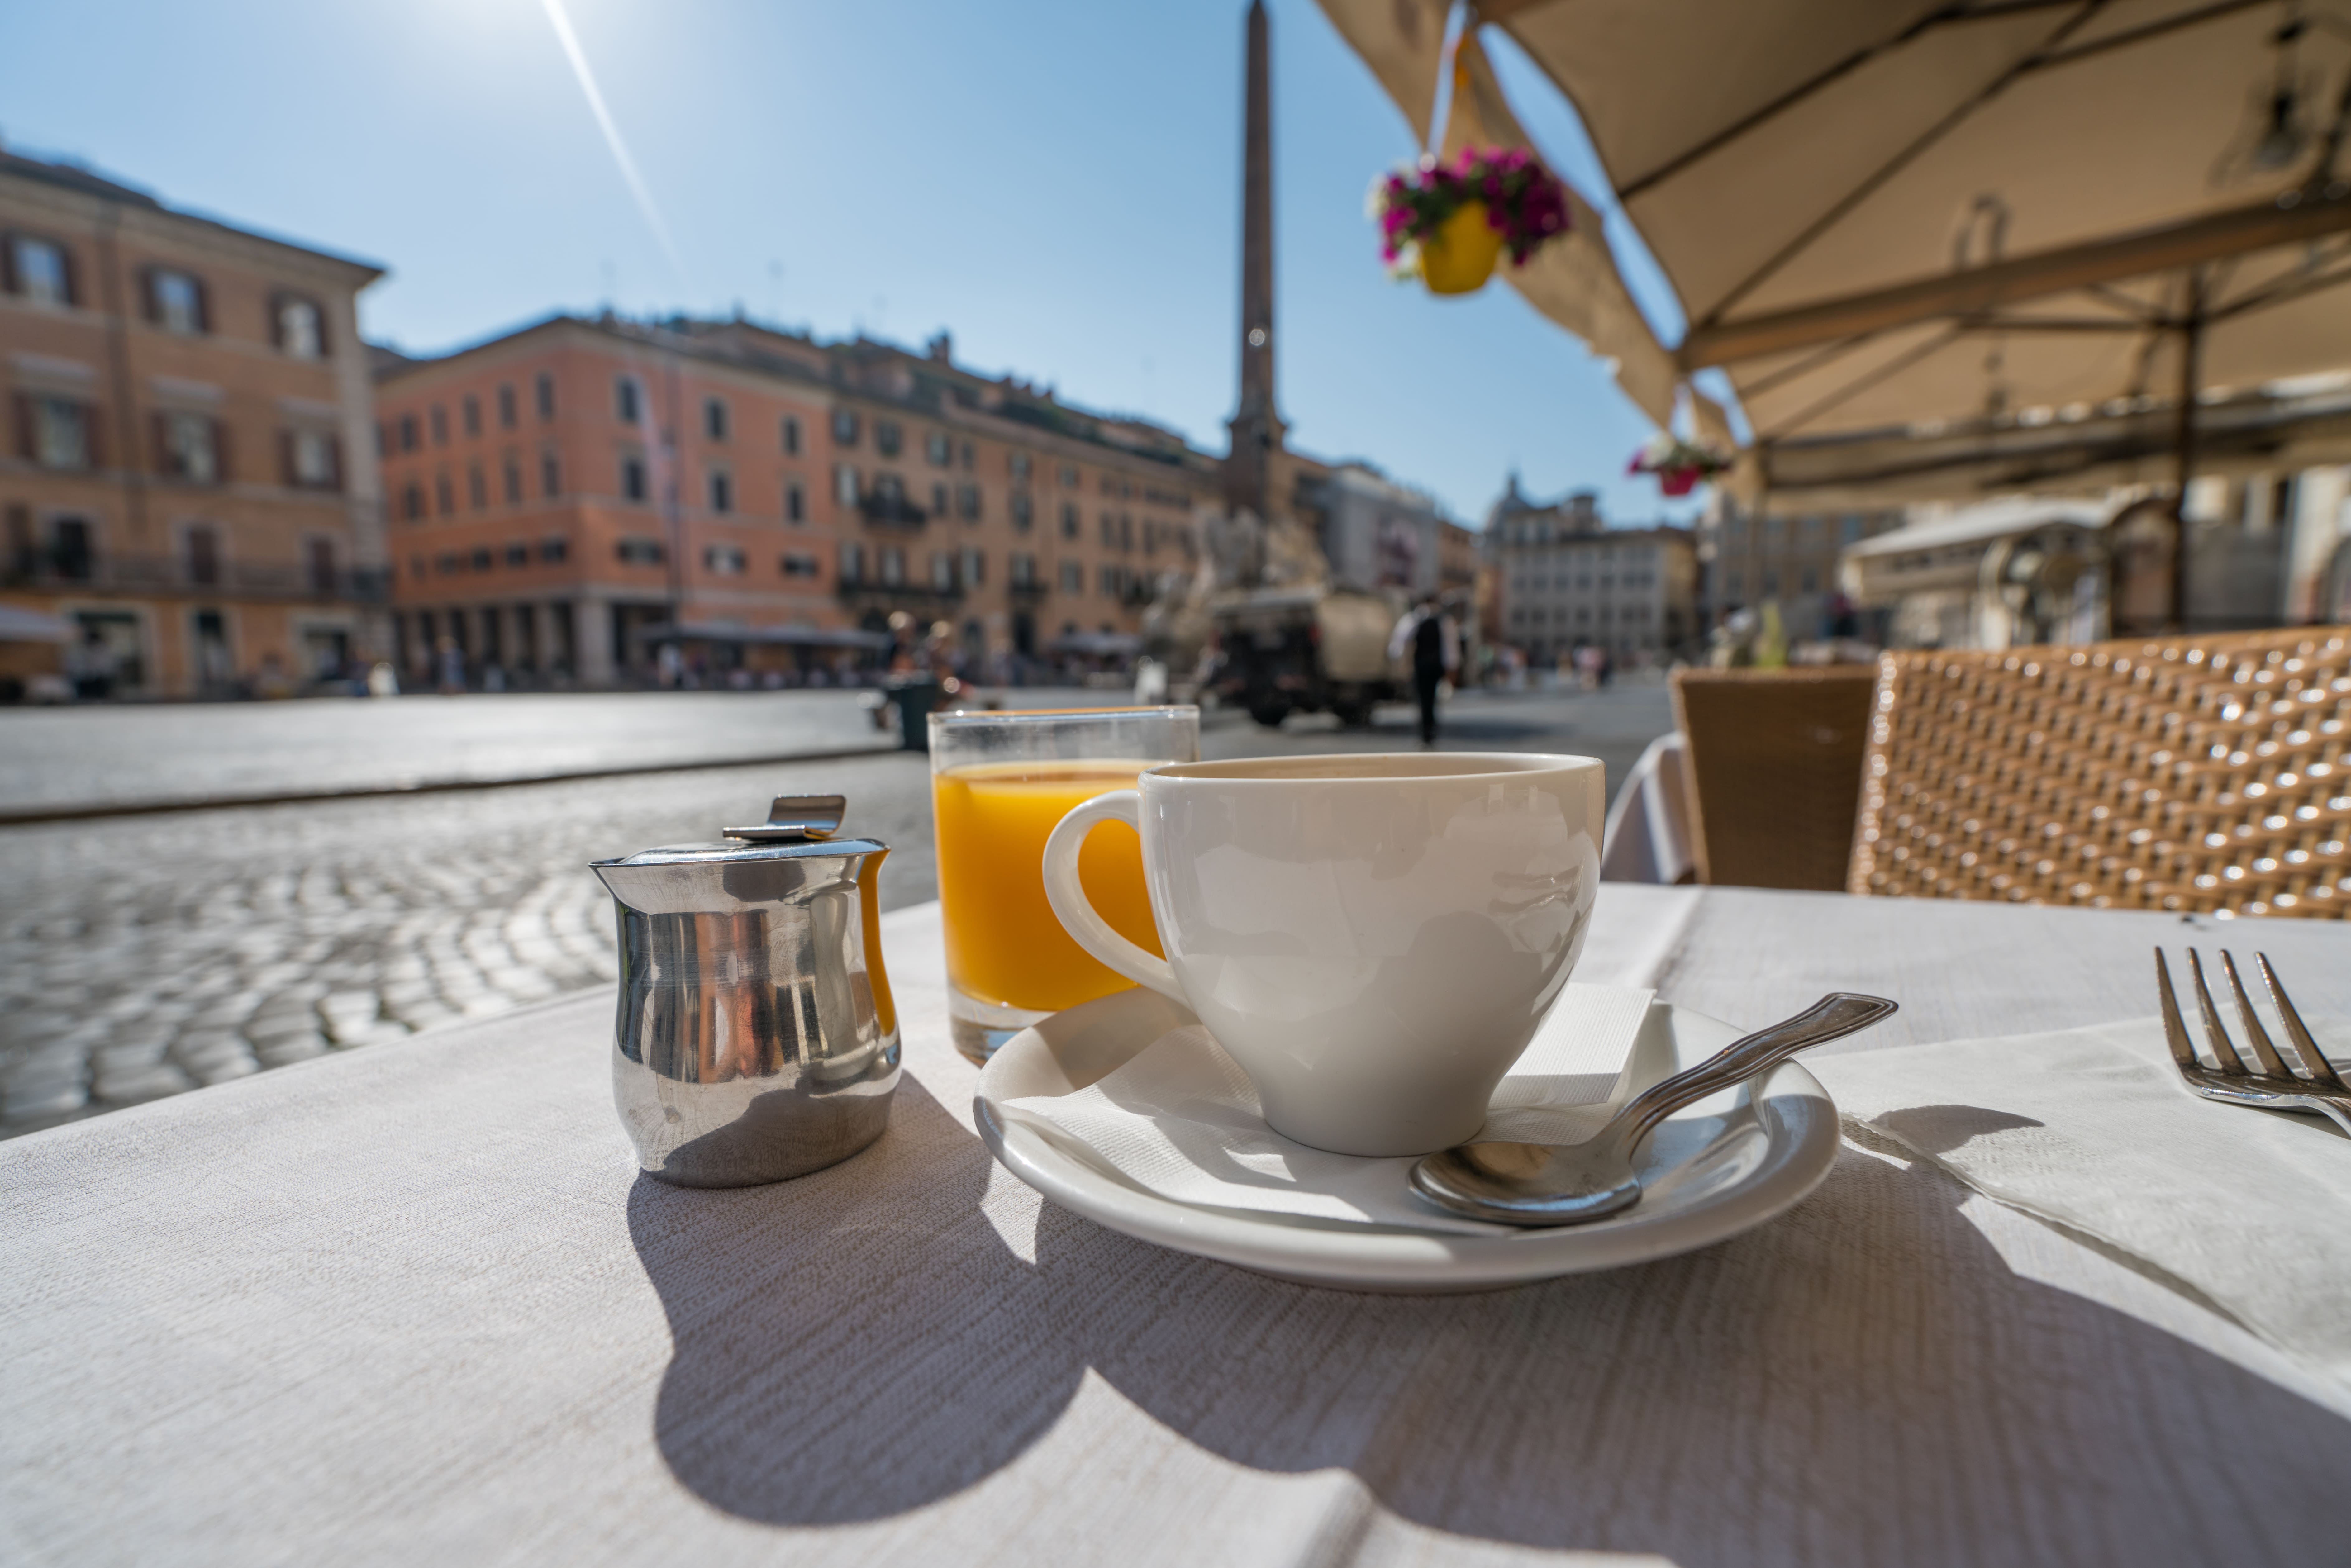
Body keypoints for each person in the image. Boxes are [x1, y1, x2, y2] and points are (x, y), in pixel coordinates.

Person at [1387, 596, 1459, 747]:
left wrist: (1399, 663)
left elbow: (1399, 644)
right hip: (1436, 667)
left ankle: (1425, 731)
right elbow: (1451, 650)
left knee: (1422, 699)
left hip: (1420, 666)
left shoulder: (1413, 619)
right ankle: (1430, 730)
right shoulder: (1445, 621)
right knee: (1432, 699)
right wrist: (1451, 672)